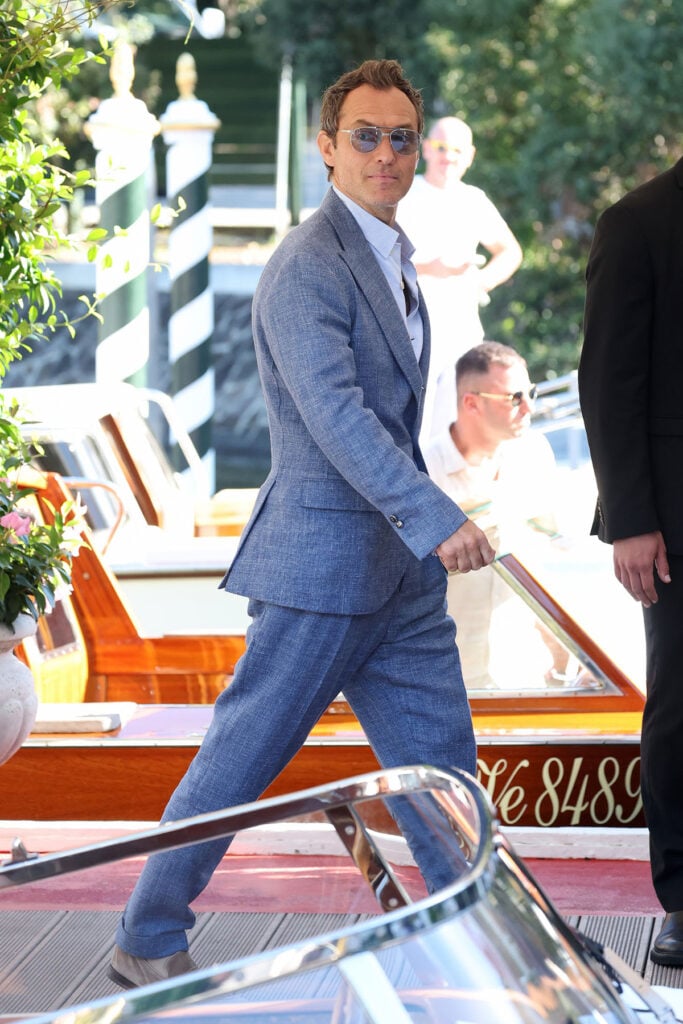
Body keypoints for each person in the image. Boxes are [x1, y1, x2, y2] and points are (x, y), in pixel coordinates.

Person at [108, 58, 495, 989]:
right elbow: (337, 419)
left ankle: (478, 936)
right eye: (365, 135)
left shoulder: (394, 255)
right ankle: (145, 937)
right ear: (326, 148)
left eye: (401, 137)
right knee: (238, 763)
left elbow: (394, 416)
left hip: (398, 577)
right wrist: (433, 514)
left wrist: (424, 523)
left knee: (443, 772)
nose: (387, 153)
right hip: (321, 568)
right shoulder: (302, 266)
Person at [578, 157, 683, 966]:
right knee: (682, 708)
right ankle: (682, 900)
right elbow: (606, 384)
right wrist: (630, 521)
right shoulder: (635, 221)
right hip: (672, 522)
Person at [424, 342, 567, 689]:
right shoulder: (422, 473)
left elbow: (549, 557)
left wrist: (564, 654)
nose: (529, 407)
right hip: (446, 676)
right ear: (471, 402)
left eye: (529, 392)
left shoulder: (535, 456)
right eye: (514, 398)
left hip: (524, 669)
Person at [398, 117, 522, 445]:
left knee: (454, 427)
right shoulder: (404, 193)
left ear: (470, 155)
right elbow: (374, 258)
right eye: (440, 147)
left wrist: (481, 282)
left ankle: (446, 495)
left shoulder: (474, 199)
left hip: (462, 332)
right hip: (413, 331)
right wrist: (427, 268)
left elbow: (510, 251)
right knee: (412, 428)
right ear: (425, 148)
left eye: (457, 150)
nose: (447, 156)